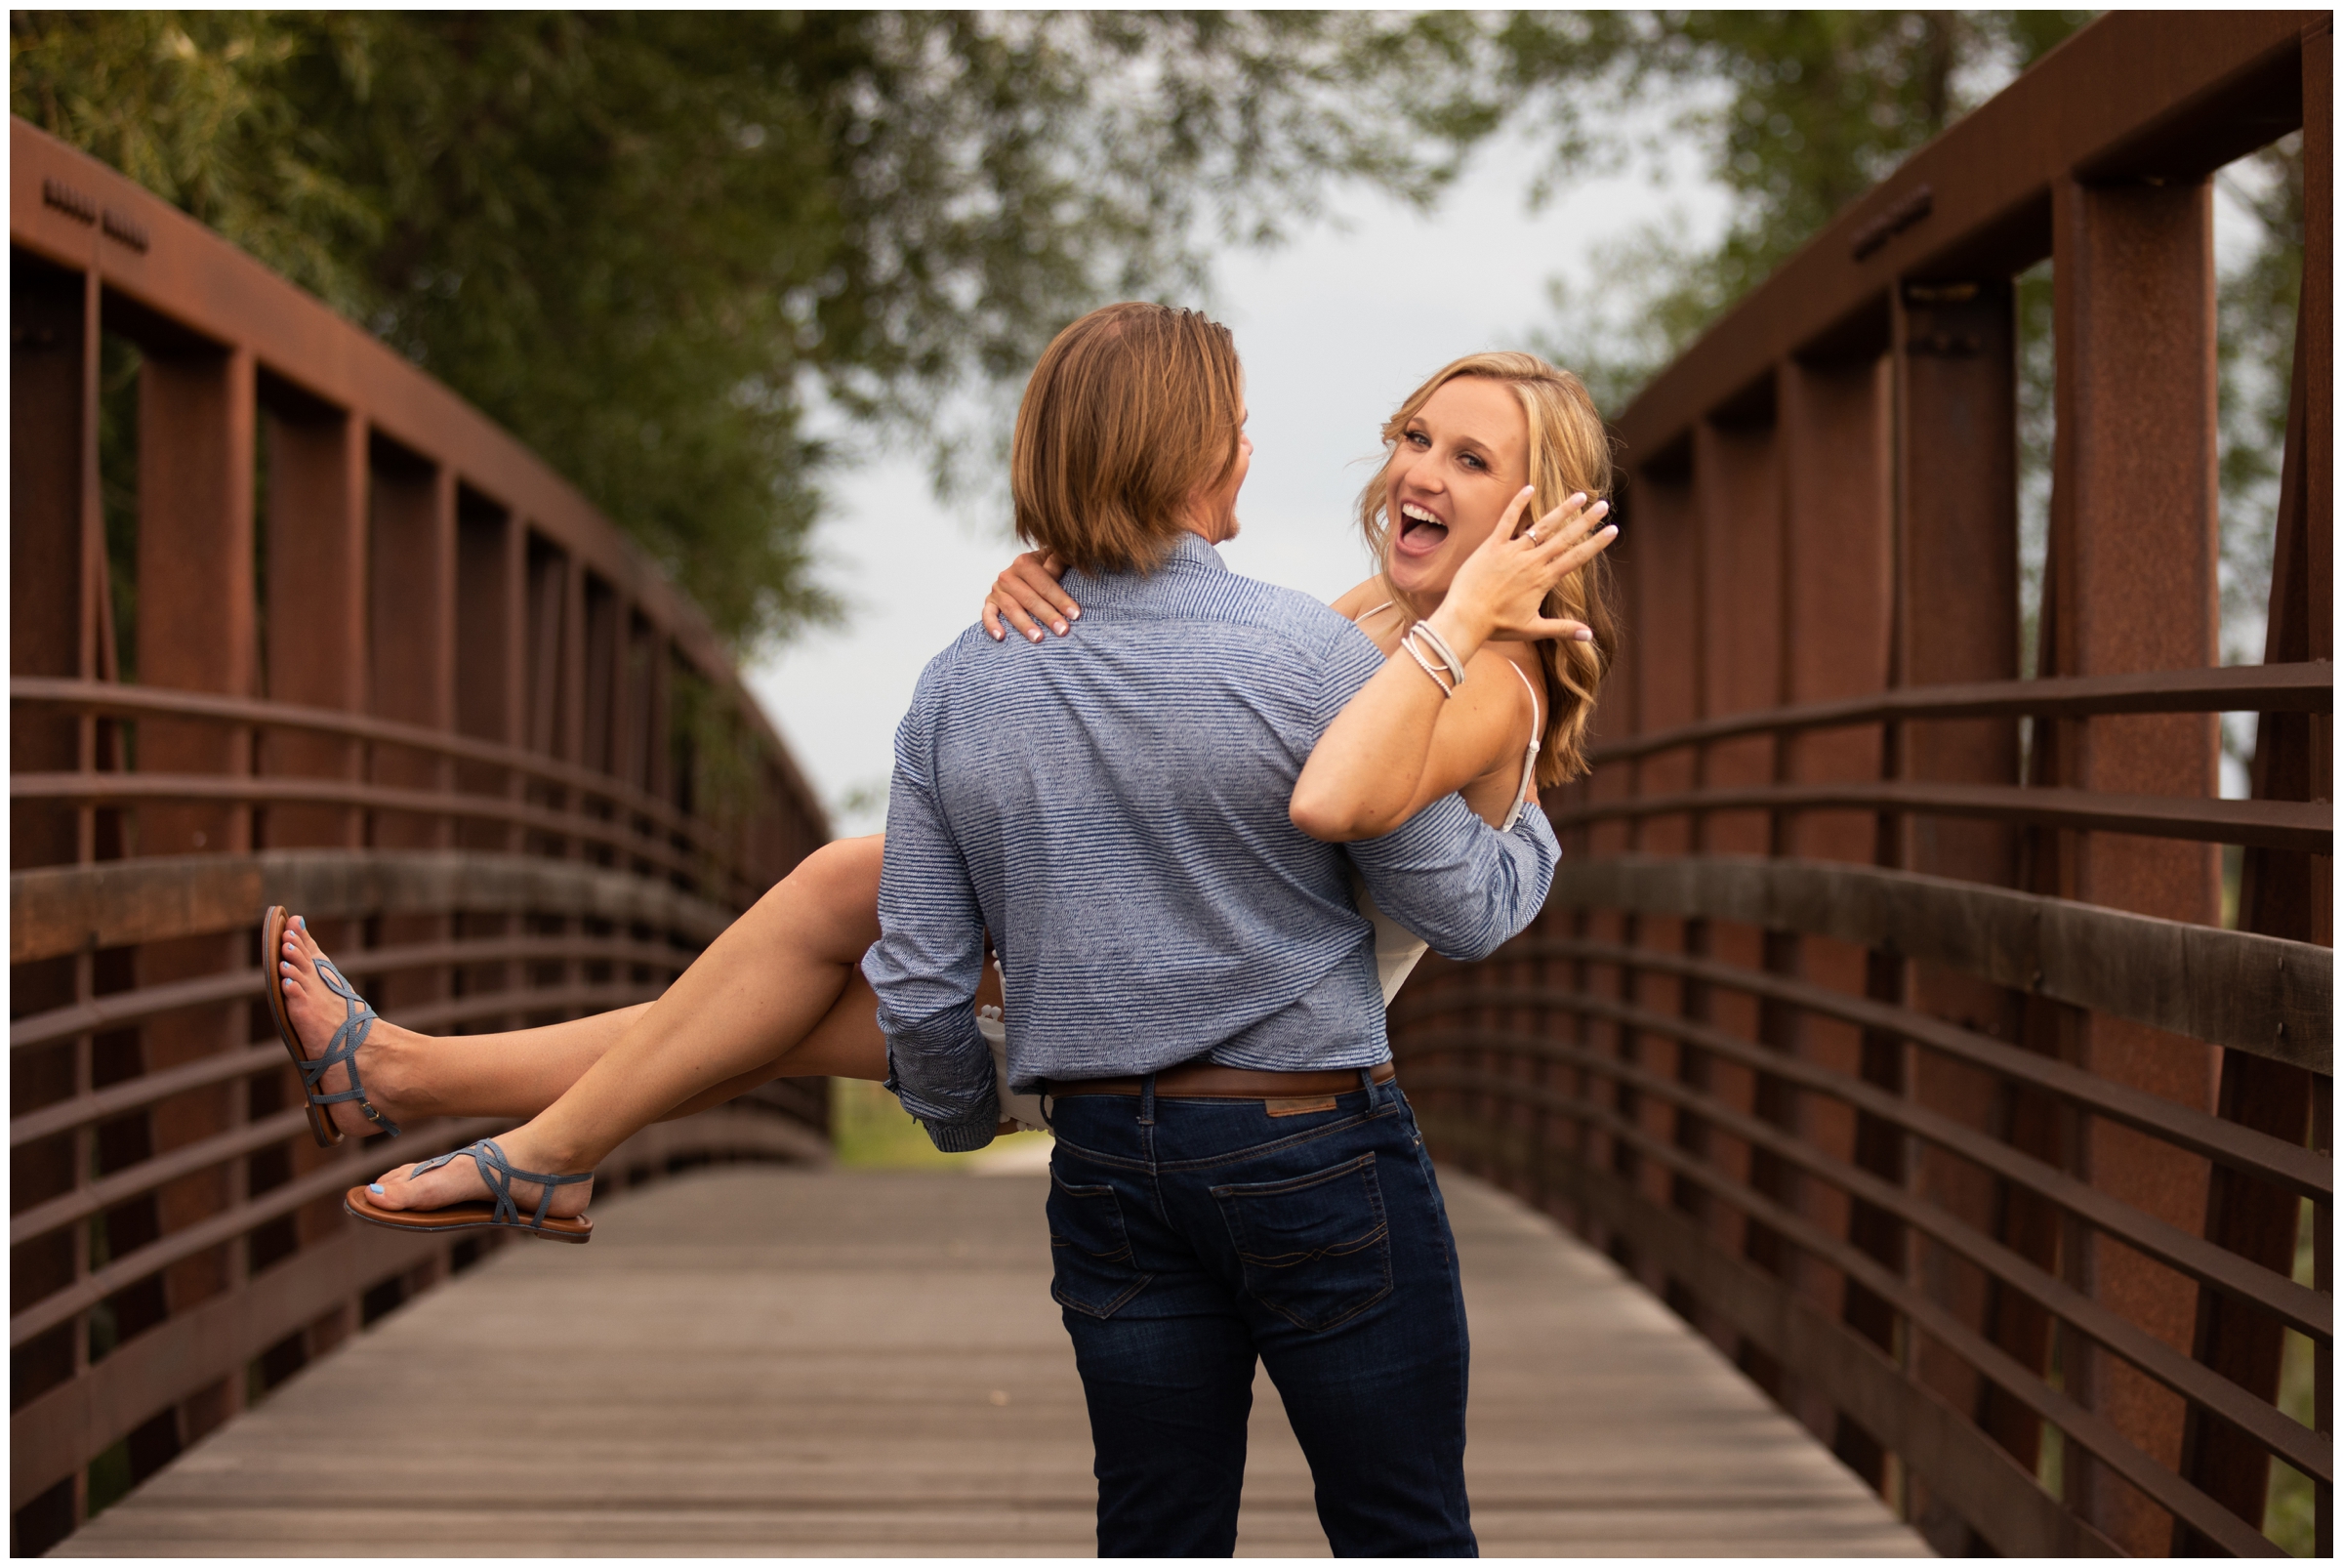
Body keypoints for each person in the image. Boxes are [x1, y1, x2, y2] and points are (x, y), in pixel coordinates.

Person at [272, 334, 1617, 1260]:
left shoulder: (1494, 668)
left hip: (1217, 1025)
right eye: (1413, 436)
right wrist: (1063, 589)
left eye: (1472, 461)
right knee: (787, 980)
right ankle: (426, 1085)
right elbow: (1201, 724)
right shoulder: (1376, 615)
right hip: (1172, 956)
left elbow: (1328, 786)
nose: (1419, 473)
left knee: (809, 950)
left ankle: (454, 1100)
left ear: (1540, 513)